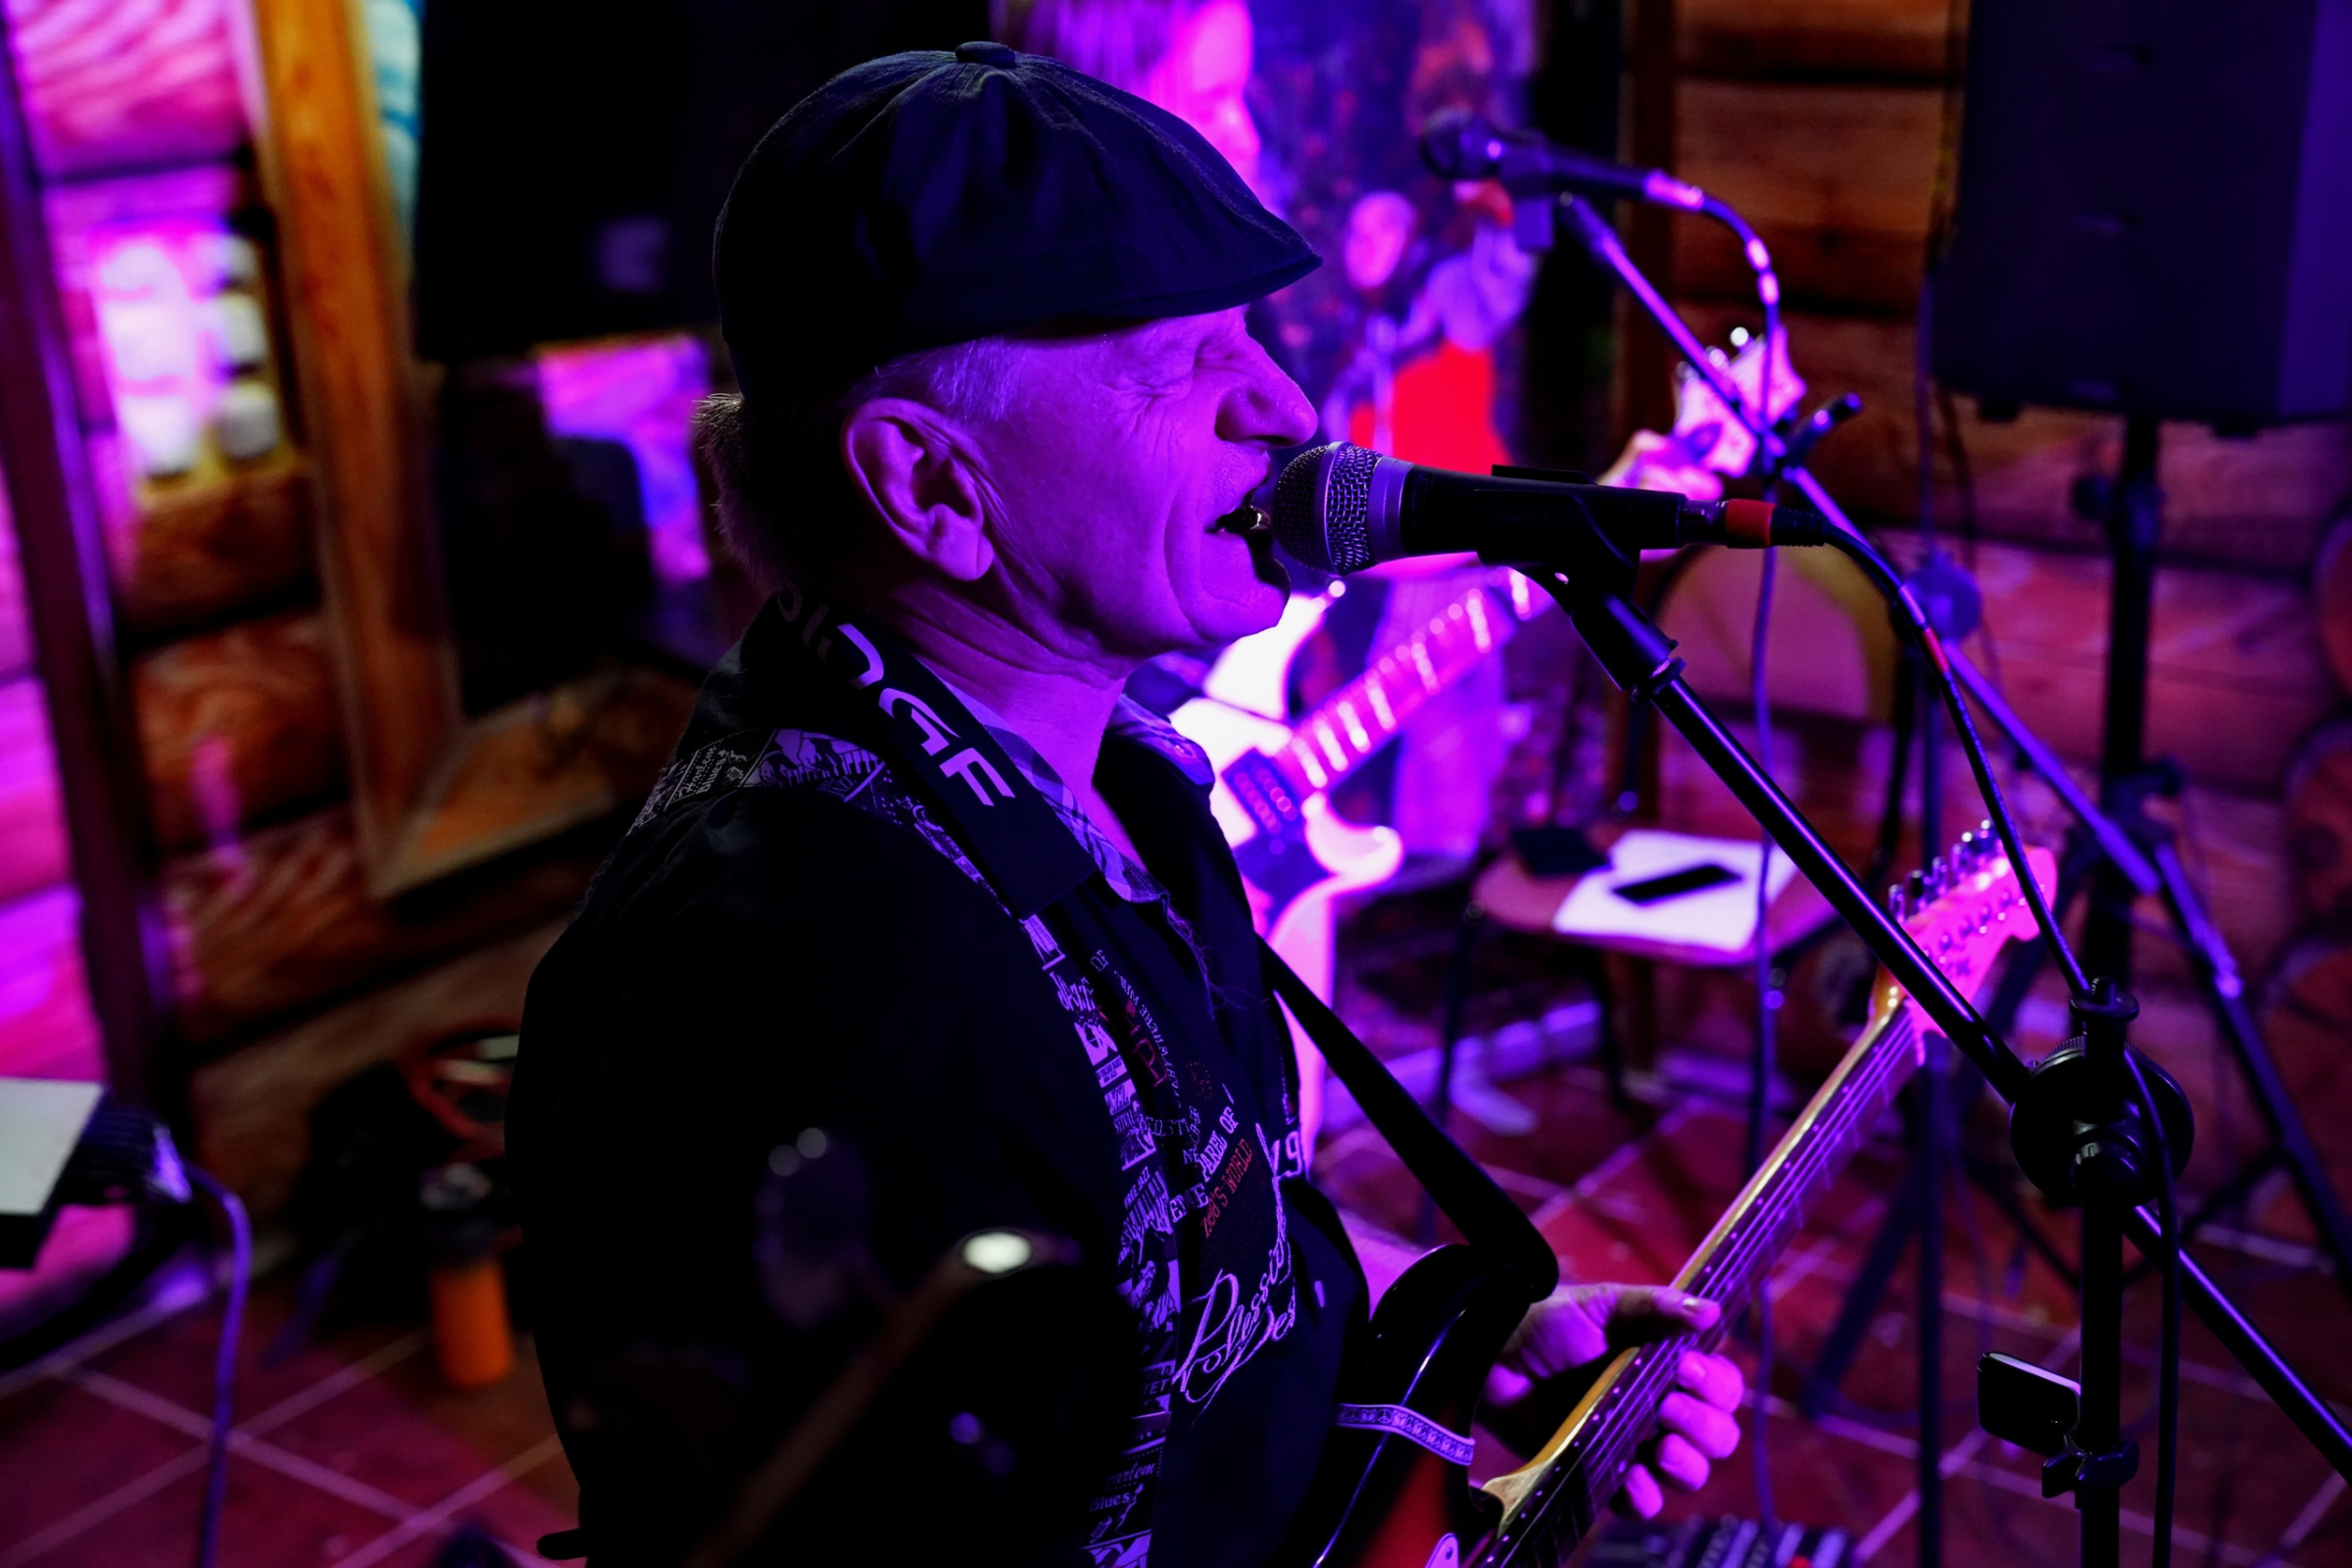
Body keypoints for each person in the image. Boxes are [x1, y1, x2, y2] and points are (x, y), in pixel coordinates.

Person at [510, 44, 1743, 1568]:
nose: (1284, 405)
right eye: (1180, 361)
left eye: (1250, 335)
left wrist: (1461, 1331)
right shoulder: (835, 992)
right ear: (933, 486)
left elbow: (1196, 1216)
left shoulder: (1130, 778)